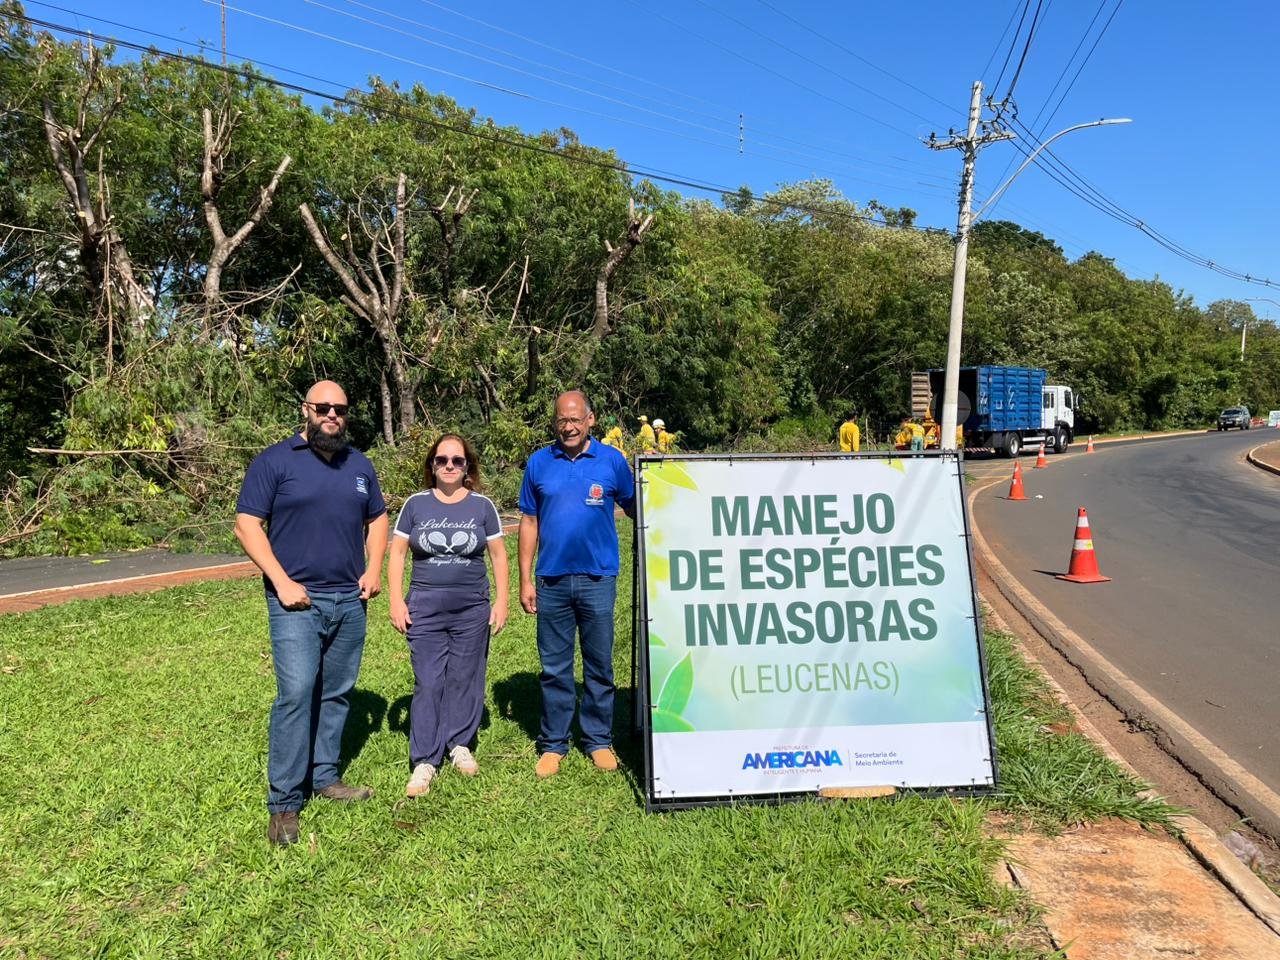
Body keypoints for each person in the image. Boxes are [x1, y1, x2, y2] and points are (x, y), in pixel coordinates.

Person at [234, 380, 389, 847]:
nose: (332, 415)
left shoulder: (359, 465)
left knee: (338, 692)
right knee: (297, 694)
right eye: (323, 407)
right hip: (295, 602)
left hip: (349, 600)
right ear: (306, 409)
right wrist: (281, 581)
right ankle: (284, 802)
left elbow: (378, 518)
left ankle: (324, 777)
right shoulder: (276, 461)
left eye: (340, 409)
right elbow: (247, 524)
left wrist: (374, 568)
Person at [518, 391, 635, 778]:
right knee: (554, 668)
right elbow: (529, 523)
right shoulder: (539, 463)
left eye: (575, 419)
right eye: (561, 420)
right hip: (551, 580)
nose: (568, 426)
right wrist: (525, 578)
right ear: (555, 423)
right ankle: (554, 744)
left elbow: (641, 510)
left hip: (598, 578)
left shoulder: (612, 461)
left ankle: (598, 740)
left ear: (591, 420)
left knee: (600, 665)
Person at [388, 434, 509, 798]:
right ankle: (425, 759)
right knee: (428, 680)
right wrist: (396, 600)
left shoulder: (482, 506)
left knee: (464, 676)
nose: (450, 467)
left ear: (468, 465)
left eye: (457, 461)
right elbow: (396, 555)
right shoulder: (415, 504)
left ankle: (459, 744)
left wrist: (501, 601)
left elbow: (499, 556)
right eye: (442, 460)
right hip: (424, 605)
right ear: (432, 465)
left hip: (471, 606)